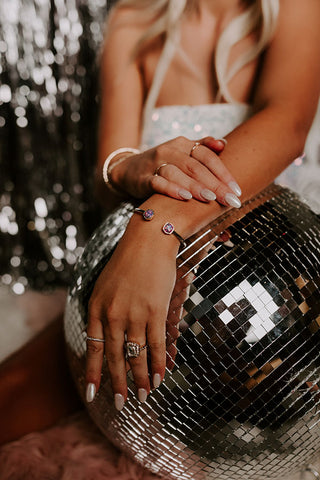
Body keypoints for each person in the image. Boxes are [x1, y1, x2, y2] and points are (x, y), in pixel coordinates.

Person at [85, 0, 320, 412]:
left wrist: (155, 226)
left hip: (286, 303)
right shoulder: (132, 20)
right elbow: (107, 180)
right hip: (157, 304)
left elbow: (288, 125)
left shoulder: (296, 6)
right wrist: (128, 169)